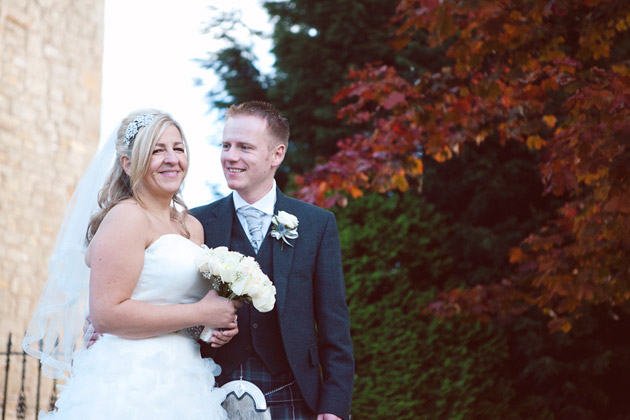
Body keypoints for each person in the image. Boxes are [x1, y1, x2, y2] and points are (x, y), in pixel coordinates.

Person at [23, 110, 240, 419]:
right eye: (156, 150)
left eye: (178, 148)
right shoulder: (126, 217)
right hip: (129, 380)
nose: (171, 158)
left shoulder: (192, 226)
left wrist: (210, 327)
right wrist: (202, 312)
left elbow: (172, 306)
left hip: (186, 380)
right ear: (127, 164)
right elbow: (107, 314)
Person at [190, 101, 354, 420]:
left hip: (290, 393)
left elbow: (335, 324)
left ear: (276, 154)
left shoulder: (316, 225)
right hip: (208, 393)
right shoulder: (196, 224)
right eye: (226, 145)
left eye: (244, 147)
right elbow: (176, 303)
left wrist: (334, 407)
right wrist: (202, 328)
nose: (230, 156)